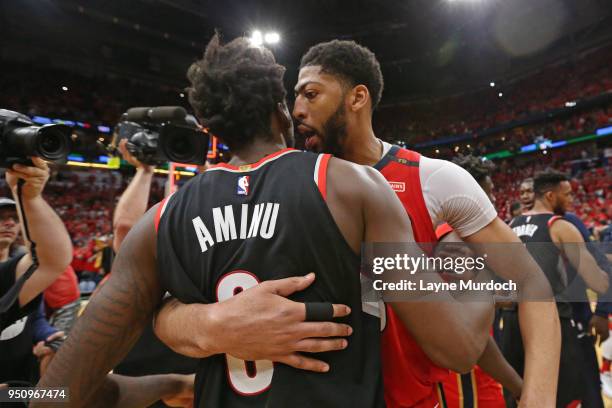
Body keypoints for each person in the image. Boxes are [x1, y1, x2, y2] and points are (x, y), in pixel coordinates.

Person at [37, 34, 493, 407]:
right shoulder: (353, 188)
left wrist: (169, 385)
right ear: (282, 112)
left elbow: (52, 395)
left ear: (213, 128)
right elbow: (455, 349)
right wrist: (480, 273)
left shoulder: (161, 220)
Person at [155, 39, 560, 406]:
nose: (297, 110)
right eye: (294, 97)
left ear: (357, 97)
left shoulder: (434, 178)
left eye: (311, 94)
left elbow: (532, 283)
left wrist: (537, 396)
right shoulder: (287, 187)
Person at [508, 170, 609, 407]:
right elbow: (596, 281)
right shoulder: (559, 226)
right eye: (567, 194)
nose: (572, 199)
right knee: (564, 397)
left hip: (513, 323)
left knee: (520, 395)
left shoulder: (511, 224)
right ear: (551, 196)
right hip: (552, 324)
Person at [436, 155, 520, 408]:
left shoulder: (452, 235)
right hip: (466, 375)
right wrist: (518, 385)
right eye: (489, 193)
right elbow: (469, 332)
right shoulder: (457, 244)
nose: (494, 200)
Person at [0, 158, 72, 331]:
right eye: (0, 218)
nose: (9, 223)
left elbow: (35, 318)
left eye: (15, 218)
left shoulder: (20, 265)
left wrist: (47, 335)